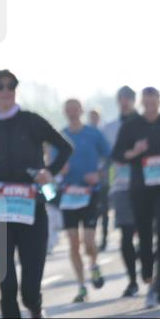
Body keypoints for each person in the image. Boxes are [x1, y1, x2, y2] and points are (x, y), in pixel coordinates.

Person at [0, 69, 73, 319]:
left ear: (15, 91)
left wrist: (50, 172)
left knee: (29, 287)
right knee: (7, 285)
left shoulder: (31, 121)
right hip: (1, 214)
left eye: (11, 86)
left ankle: (35, 309)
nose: (5, 91)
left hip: (33, 211)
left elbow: (65, 146)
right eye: (0, 87)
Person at [111, 87, 160, 308]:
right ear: (142, 103)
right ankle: (148, 273)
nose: (150, 105)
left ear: (159, 101)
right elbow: (118, 155)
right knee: (144, 235)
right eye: (147, 102)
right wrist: (135, 151)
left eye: (154, 101)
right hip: (141, 188)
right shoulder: (132, 126)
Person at [59, 99, 110, 302]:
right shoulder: (61, 136)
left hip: (90, 192)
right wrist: (59, 169)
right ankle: (81, 286)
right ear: (65, 112)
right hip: (69, 194)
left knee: (88, 242)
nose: (72, 113)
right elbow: (53, 162)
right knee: (73, 242)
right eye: (68, 110)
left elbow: (109, 156)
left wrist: (98, 173)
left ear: (81, 111)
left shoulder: (93, 133)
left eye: (75, 109)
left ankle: (94, 264)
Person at [101, 86, 141, 297]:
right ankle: (132, 280)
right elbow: (105, 157)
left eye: (128, 98)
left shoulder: (144, 123)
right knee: (125, 235)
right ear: (118, 101)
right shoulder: (109, 127)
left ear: (134, 100)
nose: (125, 102)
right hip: (121, 186)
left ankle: (146, 258)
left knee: (144, 233)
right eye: (121, 99)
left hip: (145, 186)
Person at [88, 108, 112, 250]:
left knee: (104, 210)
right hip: (88, 182)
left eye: (95, 116)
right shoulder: (86, 134)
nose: (93, 119)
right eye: (91, 117)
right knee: (93, 212)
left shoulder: (102, 134)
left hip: (102, 180)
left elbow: (110, 155)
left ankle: (104, 238)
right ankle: (93, 239)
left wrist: (103, 170)